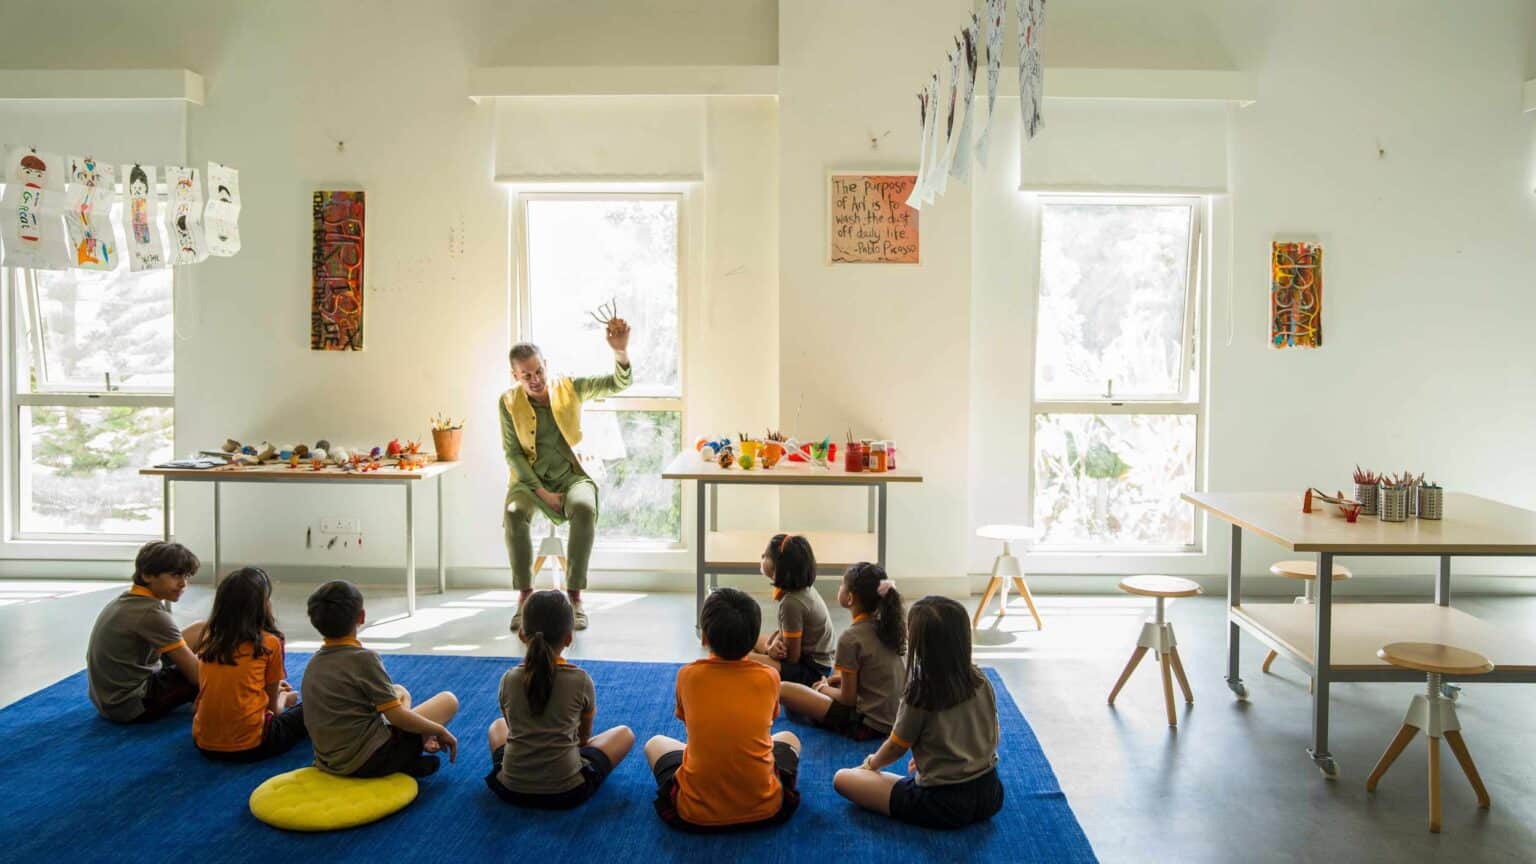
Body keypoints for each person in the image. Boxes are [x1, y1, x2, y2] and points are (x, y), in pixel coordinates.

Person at [501, 311, 633, 632]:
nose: (535, 379)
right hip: (530, 482)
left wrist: (620, 350)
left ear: (547, 364)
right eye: (526, 375)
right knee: (514, 513)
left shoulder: (569, 388)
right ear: (515, 375)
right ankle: (525, 599)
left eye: (539, 370)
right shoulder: (507, 402)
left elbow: (619, 382)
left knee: (585, 508)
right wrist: (542, 492)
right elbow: (512, 453)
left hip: (574, 475)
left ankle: (574, 598)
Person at [832, 595, 1004, 830]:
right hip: (991, 793)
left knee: (843, 779)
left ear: (920, 646)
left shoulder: (920, 692)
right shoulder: (981, 680)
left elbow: (895, 747)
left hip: (942, 803)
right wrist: (937, 756)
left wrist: (871, 764)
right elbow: (992, 733)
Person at [644, 587, 802, 832]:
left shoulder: (688, 676)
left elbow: (688, 724)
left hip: (693, 813)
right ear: (753, 641)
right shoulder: (770, 676)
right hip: (765, 809)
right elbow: (769, 720)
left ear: (705, 637)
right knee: (789, 738)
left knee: (655, 743)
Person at [485, 589, 633, 809]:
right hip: (567, 791)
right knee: (624, 734)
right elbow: (583, 740)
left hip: (511, 788)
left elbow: (511, 728)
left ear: (522, 635)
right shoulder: (580, 680)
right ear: (569, 637)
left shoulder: (509, 679)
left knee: (497, 726)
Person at [301, 580, 459, 777]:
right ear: (361, 616)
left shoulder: (314, 663)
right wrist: (439, 730)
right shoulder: (363, 659)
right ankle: (406, 759)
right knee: (448, 701)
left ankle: (411, 753)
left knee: (399, 691)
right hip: (370, 758)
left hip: (329, 761)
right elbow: (397, 717)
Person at [191, 567, 307, 762]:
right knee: (310, 709)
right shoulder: (269, 642)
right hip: (253, 744)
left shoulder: (209, 637)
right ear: (264, 604)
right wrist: (285, 698)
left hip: (203, 742)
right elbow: (273, 709)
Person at [779, 562, 905, 741]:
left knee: (786, 692)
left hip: (869, 725)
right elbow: (875, 673)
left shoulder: (851, 638)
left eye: (842, 585)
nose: (840, 588)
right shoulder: (893, 627)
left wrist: (823, 688)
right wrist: (836, 681)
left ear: (850, 598)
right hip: (897, 719)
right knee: (817, 689)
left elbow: (848, 699)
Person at [86, 541, 206, 723]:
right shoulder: (151, 614)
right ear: (148, 575)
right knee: (217, 670)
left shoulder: (127, 600)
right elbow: (197, 676)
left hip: (106, 698)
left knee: (202, 629)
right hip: (129, 705)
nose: (183, 584)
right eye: (175, 575)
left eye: (186, 576)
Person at [747, 534, 835, 686]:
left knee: (745, 658)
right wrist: (773, 645)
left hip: (813, 671)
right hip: (814, 660)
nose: (762, 556)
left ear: (778, 567)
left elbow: (792, 658)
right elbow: (789, 634)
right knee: (748, 638)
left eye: (766, 555)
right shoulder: (802, 590)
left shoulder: (791, 603)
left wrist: (772, 652)